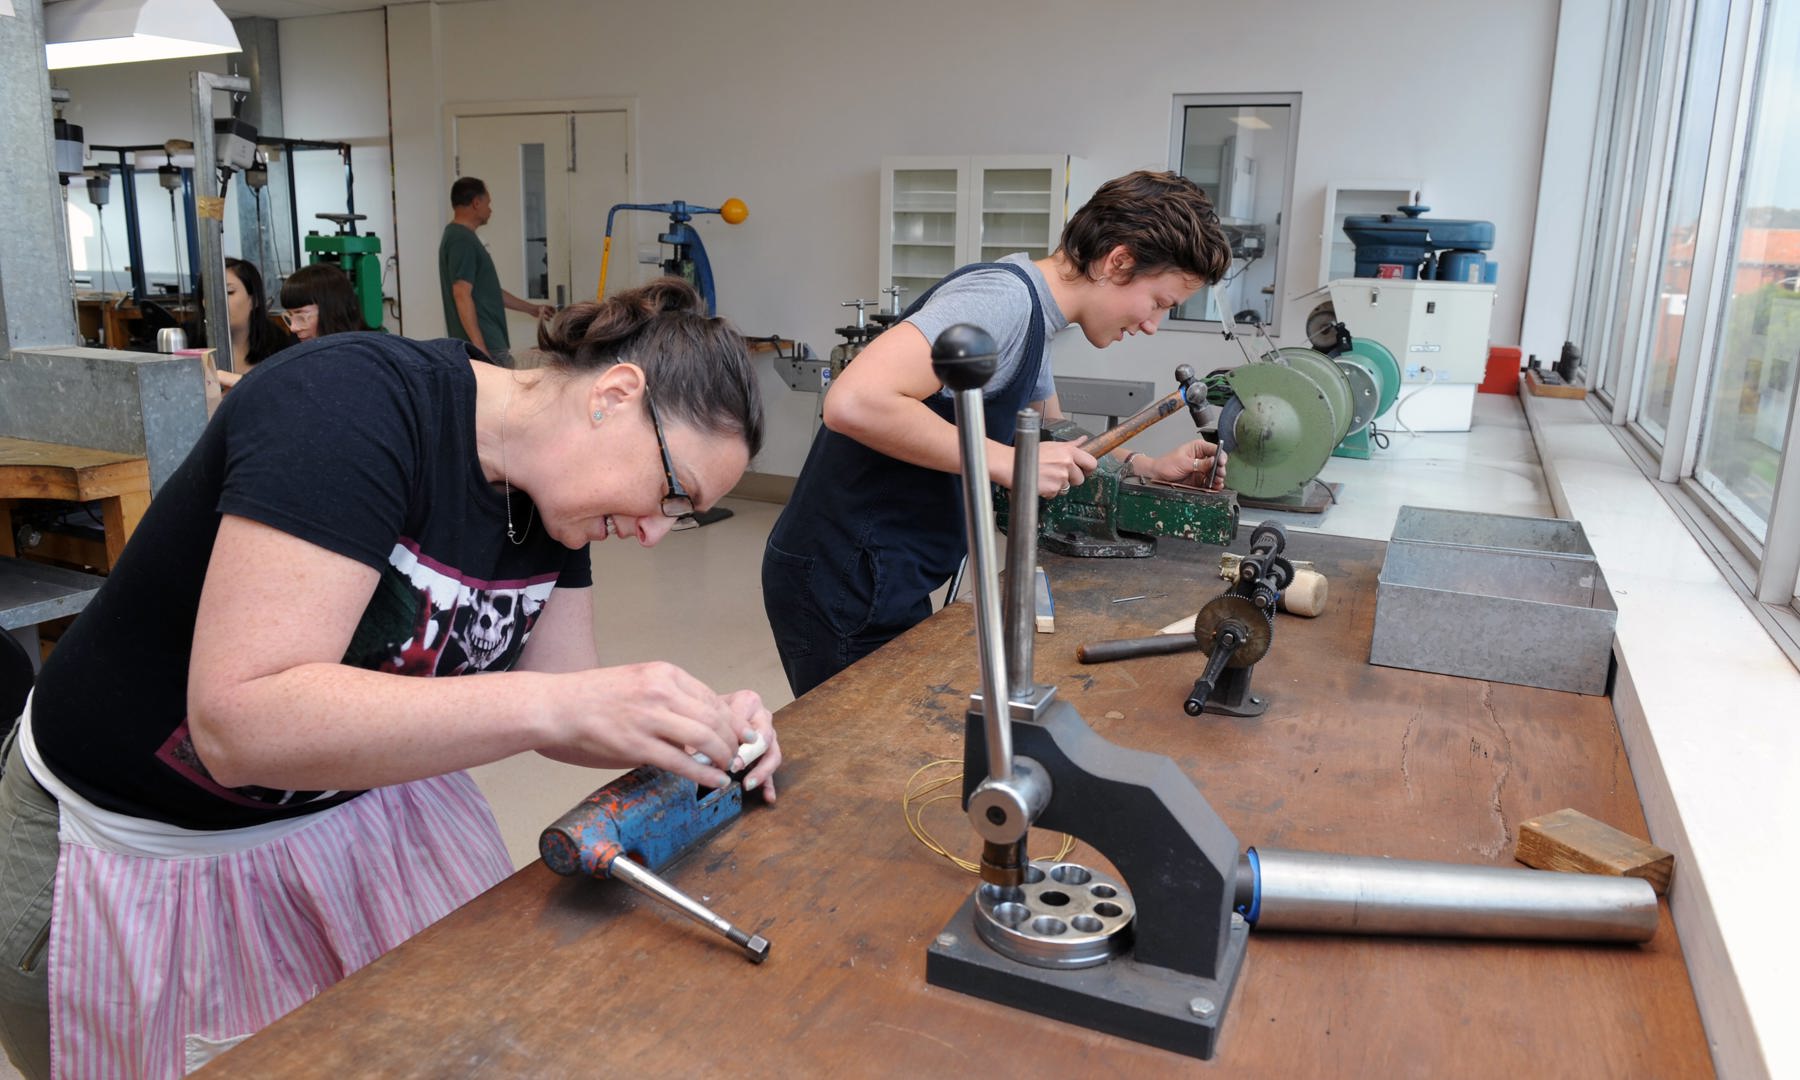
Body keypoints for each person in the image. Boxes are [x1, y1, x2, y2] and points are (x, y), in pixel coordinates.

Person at [0, 277, 779, 1080]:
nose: (655, 531)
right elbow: (240, 727)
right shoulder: (349, 407)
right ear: (614, 396)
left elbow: (571, 697)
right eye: (671, 493)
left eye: (681, 517)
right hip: (142, 853)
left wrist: (704, 724)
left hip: (351, 816)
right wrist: (561, 703)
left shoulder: (552, 496)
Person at [762, 170, 1234, 697]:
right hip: (840, 574)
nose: (1152, 325)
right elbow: (852, 401)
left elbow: (1053, 429)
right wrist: (1007, 462)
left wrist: (1143, 468)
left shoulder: (1036, 310)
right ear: (1117, 261)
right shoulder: (1003, 302)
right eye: (1160, 303)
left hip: (881, 568)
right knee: (851, 761)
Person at [440, 176, 556, 365]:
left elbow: (490, 292)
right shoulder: (461, 240)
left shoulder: (462, 237)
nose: (490, 209)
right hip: (486, 346)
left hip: (489, 344)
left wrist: (532, 309)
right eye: (488, 203)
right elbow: (461, 293)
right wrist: (479, 348)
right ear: (476, 203)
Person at [216, 257, 295, 390]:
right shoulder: (191, 345)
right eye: (206, 294)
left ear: (255, 299)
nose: (218, 301)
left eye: (229, 292)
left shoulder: (280, 348)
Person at [279, 262, 368, 342]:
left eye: (301, 317)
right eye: (289, 317)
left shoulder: (365, 353)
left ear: (333, 312)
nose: (293, 328)